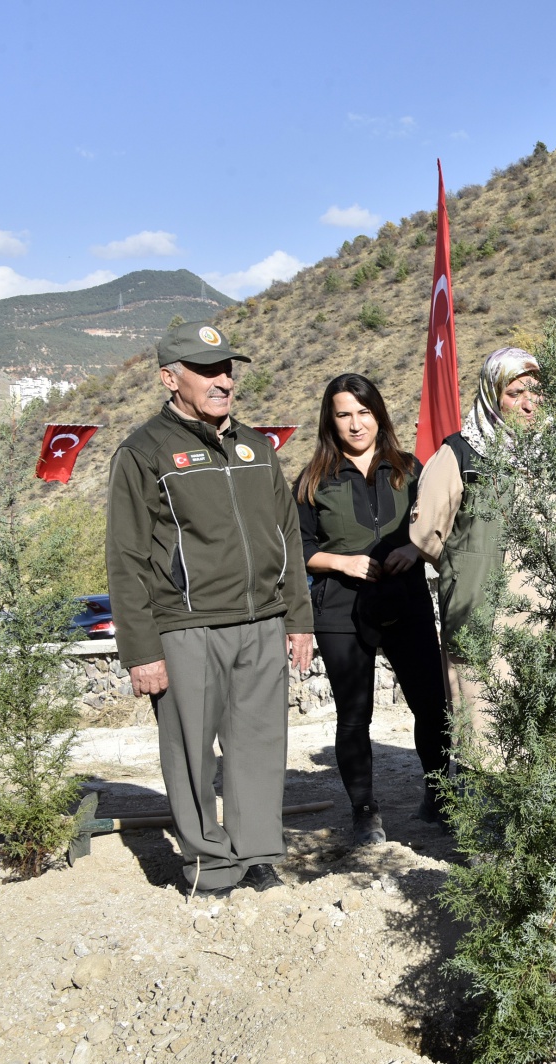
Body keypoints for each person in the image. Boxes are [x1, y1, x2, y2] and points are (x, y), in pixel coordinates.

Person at [106, 322, 313, 897]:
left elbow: (288, 537)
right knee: (190, 753)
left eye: (227, 368)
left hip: (262, 623)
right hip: (186, 629)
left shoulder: (258, 446)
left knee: (260, 747)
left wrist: (297, 618)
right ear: (170, 378)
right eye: (206, 369)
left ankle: (256, 855)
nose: (222, 380)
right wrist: (141, 650)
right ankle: (211, 865)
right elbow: (124, 558)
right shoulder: (143, 452)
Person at [296, 374, 450, 841]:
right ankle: (364, 811)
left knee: (431, 705)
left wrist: (416, 550)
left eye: (364, 412)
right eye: (344, 414)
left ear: (379, 415)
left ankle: (440, 797)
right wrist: (341, 561)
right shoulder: (311, 481)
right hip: (340, 608)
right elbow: (299, 548)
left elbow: (438, 523)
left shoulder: (410, 468)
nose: (355, 423)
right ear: (330, 420)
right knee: (353, 715)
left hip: (407, 601)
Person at [410, 348, 543, 750]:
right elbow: (426, 533)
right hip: (484, 612)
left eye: (536, 392)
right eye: (515, 392)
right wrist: (468, 564)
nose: (528, 403)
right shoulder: (461, 452)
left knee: (542, 728)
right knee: (485, 731)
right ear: (491, 393)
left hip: (545, 615)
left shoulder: (554, 453)